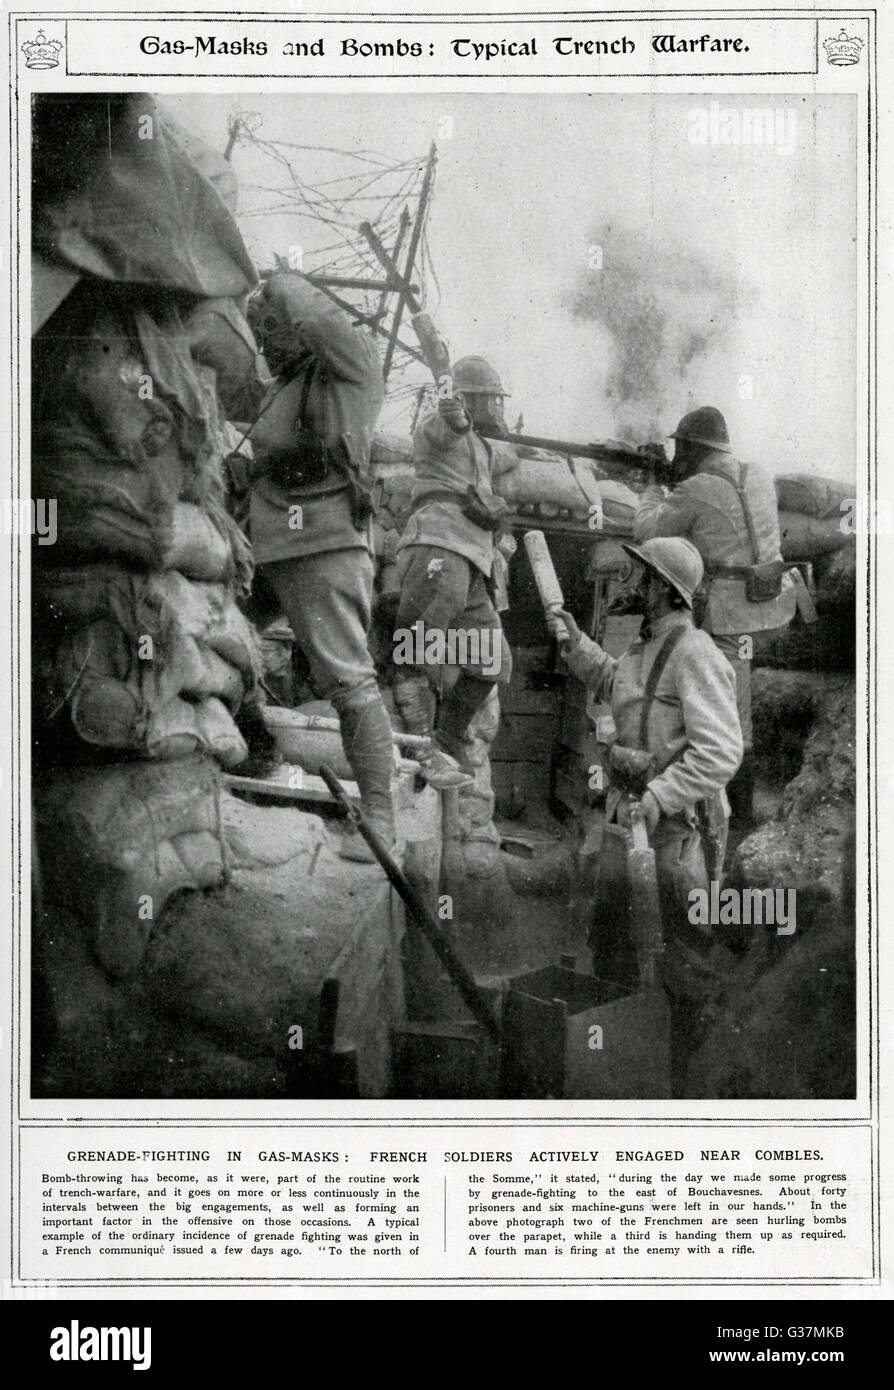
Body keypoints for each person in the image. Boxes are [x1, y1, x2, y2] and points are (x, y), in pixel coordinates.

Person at [554, 536, 743, 1092]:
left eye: (637, 574)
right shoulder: (645, 647)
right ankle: (622, 1074)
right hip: (630, 827)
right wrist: (578, 646)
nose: (625, 581)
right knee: (615, 946)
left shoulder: (696, 653)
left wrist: (661, 797)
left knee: (675, 962)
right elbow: (622, 687)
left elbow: (721, 752)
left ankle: (680, 1086)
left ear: (663, 588)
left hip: (675, 834)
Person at [246, 271, 394, 862]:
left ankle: (380, 818)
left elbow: (319, 317)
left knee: (348, 682)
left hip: (323, 547)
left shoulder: (350, 366)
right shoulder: (282, 388)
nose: (266, 343)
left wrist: (280, 282)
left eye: (273, 329)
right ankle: (257, 749)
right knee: (219, 639)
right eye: (259, 334)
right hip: (267, 546)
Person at [633, 406, 795, 824]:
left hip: (731, 615)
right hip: (772, 609)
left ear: (691, 447)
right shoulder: (757, 473)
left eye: (679, 449)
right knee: (732, 701)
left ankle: (736, 818)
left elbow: (647, 531)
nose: (676, 457)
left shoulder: (697, 487)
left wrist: (653, 485)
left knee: (729, 715)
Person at [391, 355, 518, 787]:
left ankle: (444, 739)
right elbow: (447, 424)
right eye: (492, 402)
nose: (497, 410)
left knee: (492, 662)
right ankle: (419, 748)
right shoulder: (438, 429)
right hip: (439, 550)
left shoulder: (482, 448)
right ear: (468, 401)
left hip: (473, 565)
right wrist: (455, 414)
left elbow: (508, 453)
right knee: (414, 651)